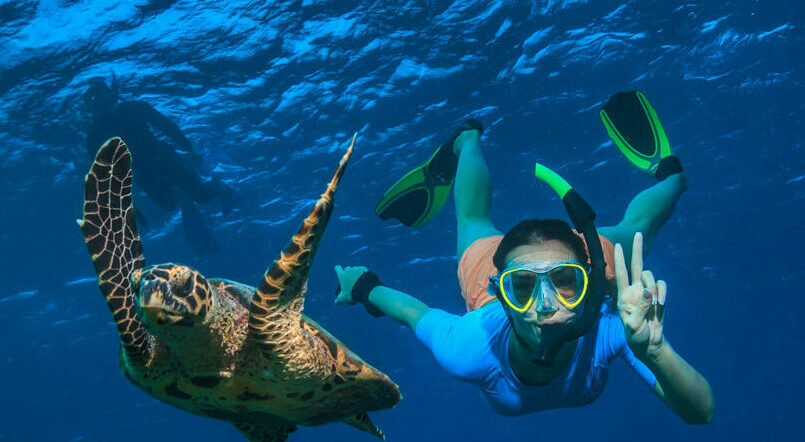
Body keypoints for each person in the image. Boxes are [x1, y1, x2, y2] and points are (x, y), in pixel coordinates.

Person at [334, 92, 714, 423]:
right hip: (492, 262)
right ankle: (466, 141)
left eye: (567, 282)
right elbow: (412, 313)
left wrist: (656, 351)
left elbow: (701, 414)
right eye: (522, 288)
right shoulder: (470, 345)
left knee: (641, 227)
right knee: (472, 218)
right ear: (501, 292)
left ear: (590, 281)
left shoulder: (613, 328)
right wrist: (365, 286)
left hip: (586, 257)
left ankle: (672, 176)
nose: (546, 308)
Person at [83, 76, 233, 252]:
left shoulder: (134, 109)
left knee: (202, 197)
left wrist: (190, 150)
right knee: (170, 205)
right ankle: (184, 197)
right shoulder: (94, 137)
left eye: (100, 96)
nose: (98, 103)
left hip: (164, 159)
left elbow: (167, 127)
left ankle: (215, 187)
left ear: (111, 96)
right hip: (143, 173)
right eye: (93, 100)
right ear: (89, 107)